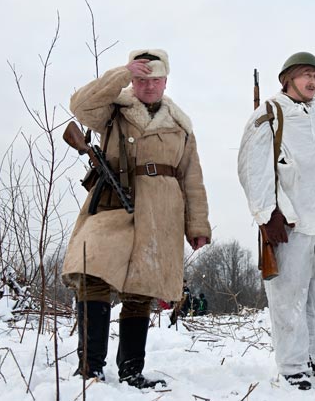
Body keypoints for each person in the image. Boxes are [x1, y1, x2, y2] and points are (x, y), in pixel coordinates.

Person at [62, 49, 211, 388]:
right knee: (92, 271)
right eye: (141, 79)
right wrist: (120, 74)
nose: (148, 86)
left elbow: (192, 176)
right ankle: (90, 369)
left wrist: (198, 224)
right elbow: (79, 107)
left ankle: (131, 371)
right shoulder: (114, 108)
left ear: (165, 81)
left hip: (162, 212)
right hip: (115, 202)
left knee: (142, 290)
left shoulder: (180, 124)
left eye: (155, 80)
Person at [238, 52, 315, 390]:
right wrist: (268, 215)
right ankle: (293, 367)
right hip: (290, 226)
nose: (313, 82)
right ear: (287, 78)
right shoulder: (270, 114)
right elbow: (253, 167)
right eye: (306, 75)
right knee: (288, 299)